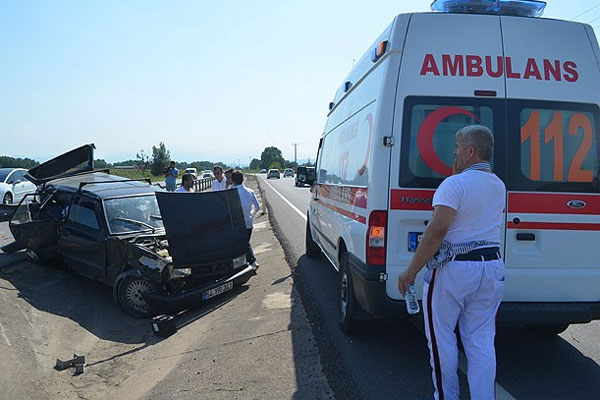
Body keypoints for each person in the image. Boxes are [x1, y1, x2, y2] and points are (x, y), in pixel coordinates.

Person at [397, 125, 506, 400]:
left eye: (457, 147)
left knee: (441, 337)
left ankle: (447, 396)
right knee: (481, 341)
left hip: (454, 270)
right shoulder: (498, 185)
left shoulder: (454, 184)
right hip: (491, 268)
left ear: (471, 151)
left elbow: (437, 231)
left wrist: (410, 272)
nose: (453, 153)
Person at [231, 170, 260, 268]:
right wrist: (251, 214)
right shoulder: (250, 191)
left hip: (236, 222)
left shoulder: (232, 193)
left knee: (241, 244)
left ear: (233, 180)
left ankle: (249, 262)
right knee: (245, 242)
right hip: (248, 221)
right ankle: (250, 262)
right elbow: (257, 206)